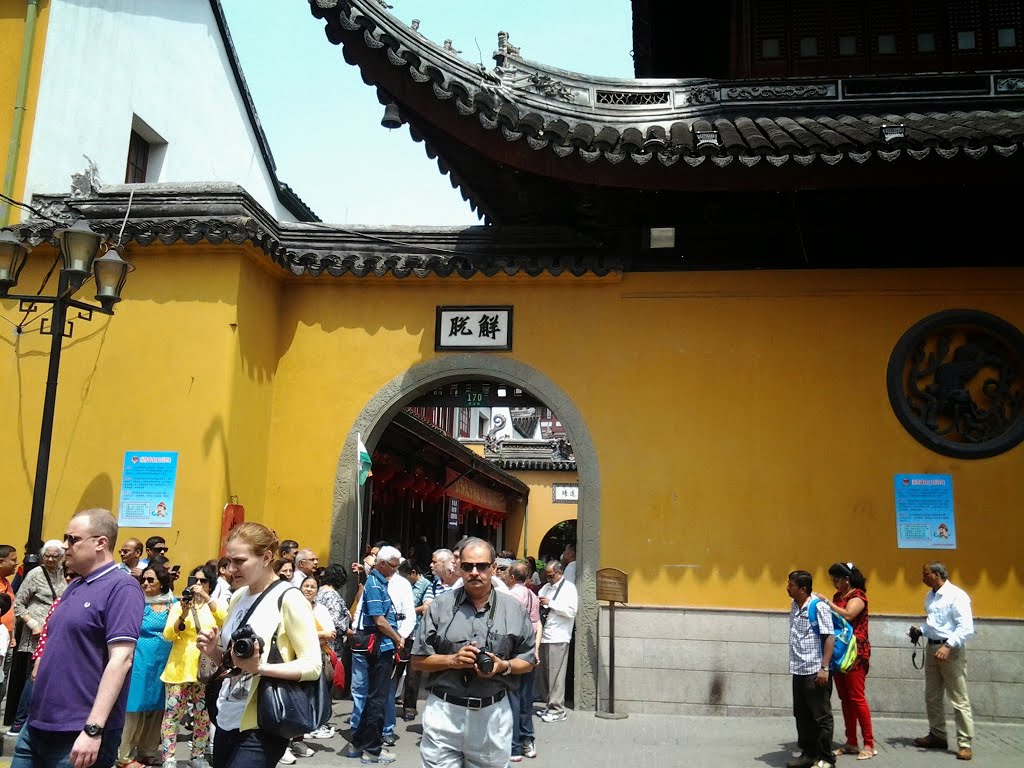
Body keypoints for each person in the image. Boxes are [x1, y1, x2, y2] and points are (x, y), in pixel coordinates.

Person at [10, 508, 144, 768]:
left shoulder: (122, 587)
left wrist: (93, 729)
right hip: (37, 726)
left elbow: (122, 659)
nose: (64, 545)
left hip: (78, 734)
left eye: (72, 539)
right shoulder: (75, 586)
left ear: (100, 543)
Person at [195, 523, 321, 768]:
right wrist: (212, 650)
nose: (231, 569)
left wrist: (260, 668)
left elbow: (312, 665)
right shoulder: (239, 597)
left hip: (262, 722)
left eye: (240, 561)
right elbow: (235, 664)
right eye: (229, 561)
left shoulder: (289, 598)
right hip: (226, 716)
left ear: (265, 557)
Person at [412, 538, 536, 768]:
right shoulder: (440, 606)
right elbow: (418, 661)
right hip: (444, 712)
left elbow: (528, 661)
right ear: (459, 568)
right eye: (467, 567)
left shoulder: (513, 608)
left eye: (482, 566)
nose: (474, 572)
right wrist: (452, 660)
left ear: (493, 567)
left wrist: (503, 666)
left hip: (492, 715)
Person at [341, 546, 405, 764]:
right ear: (382, 564)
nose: (396, 570)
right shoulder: (375, 583)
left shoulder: (376, 582)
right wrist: (397, 638)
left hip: (377, 646)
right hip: (380, 648)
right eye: (394, 566)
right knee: (376, 700)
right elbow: (379, 620)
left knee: (370, 699)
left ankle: (358, 744)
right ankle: (372, 750)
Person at [160, 563, 225, 768]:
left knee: (202, 715)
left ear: (210, 585)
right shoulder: (180, 605)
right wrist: (183, 613)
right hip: (179, 669)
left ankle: (197, 754)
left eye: (203, 581)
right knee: (172, 716)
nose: (198, 584)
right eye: (194, 580)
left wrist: (206, 598)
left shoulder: (212, 606)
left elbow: (224, 618)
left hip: (204, 670)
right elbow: (169, 634)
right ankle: (169, 758)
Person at [909, 561, 975, 761]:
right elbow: (934, 624)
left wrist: (948, 646)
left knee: (959, 698)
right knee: (932, 695)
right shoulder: (930, 596)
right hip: (932, 647)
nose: (923, 577)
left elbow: (966, 627)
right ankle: (937, 734)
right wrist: (920, 631)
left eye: (926, 574)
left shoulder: (957, 595)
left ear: (937, 574)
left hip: (950, 650)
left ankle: (965, 743)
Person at [8, 540, 68, 737]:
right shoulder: (35, 574)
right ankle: (19, 722)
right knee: (34, 676)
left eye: (55, 556)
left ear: (61, 557)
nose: (50, 559)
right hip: (36, 633)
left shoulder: (62, 574)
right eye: (47, 556)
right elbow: (18, 604)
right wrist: (33, 624)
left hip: (54, 632)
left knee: (45, 675)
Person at [118, 565, 176, 768]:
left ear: (162, 582)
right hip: (140, 659)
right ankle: (123, 755)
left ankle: (147, 751)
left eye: (151, 580)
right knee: (134, 705)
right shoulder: (137, 602)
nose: (146, 584)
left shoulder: (174, 603)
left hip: (163, 661)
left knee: (156, 707)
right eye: (144, 580)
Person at [815, 563, 873, 761]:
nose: (835, 584)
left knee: (857, 698)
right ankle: (851, 741)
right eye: (833, 580)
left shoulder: (858, 596)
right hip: (840, 651)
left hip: (855, 653)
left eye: (837, 579)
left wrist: (827, 603)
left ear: (847, 578)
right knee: (845, 699)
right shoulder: (838, 597)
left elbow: (848, 614)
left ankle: (869, 743)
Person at [786, 570, 835, 768]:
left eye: (791, 585)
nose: (787, 588)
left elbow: (829, 637)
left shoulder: (818, 606)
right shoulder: (794, 606)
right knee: (802, 714)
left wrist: (824, 668)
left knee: (821, 716)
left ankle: (826, 758)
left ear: (803, 589)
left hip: (815, 670)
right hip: (798, 669)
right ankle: (808, 754)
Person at [507, 561, 541, 761]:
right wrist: (535, 649)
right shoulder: (533, 596)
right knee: (526, 699)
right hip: (529, 652)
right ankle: (528, 740)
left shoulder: (510, 597)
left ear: (512, 577)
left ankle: (514, 746)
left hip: (514, 653)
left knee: (513, 699)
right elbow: (537, 624)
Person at [536, 560, 577, 722]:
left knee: (556, 675)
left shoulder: (569, 588)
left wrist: (550, 603)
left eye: (551, 575)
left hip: (559, 636)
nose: (549, 578)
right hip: (544, 635)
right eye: (547, 575)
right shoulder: (546, 587)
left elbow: (572, 611)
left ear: (560, 573)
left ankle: (558, 709)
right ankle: (549, 705)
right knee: (544, 675)